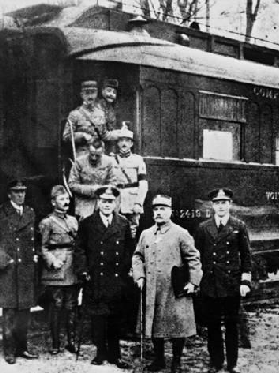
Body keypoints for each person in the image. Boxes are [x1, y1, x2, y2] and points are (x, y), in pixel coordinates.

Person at [132, 195, 202, 373]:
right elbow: (137, 256)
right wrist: (139, 276)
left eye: (163, 209)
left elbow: (194, 259)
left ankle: (176, 361)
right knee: (156, 326)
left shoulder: (180, 233)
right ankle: (159, 360)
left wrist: (193, 282)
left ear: (170, 211)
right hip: (152, 289)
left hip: (174, 289)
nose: (158, 212)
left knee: (177, 326)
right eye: (156, 209)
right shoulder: (146, 234)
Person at [73, 186, 134, 369]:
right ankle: (100, 353)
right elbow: (79, 249)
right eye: (104, 201)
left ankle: (115, 355)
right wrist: (83, 270)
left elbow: (129, 250)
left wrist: (126, 271)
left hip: (116, 279)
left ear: (115, 203)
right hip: (96, 278)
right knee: (98, 318)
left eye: (110, 201)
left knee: (115, 318)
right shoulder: (87, 223)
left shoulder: (123, 223)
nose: (107, 205)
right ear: (98, 202)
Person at [195, 188, 252, 373]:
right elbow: (197, 256)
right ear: (213, 205)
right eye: (217, 203)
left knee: (231, 325)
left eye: (224, 202)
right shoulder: (203, 228)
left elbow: (246, 256)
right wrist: (197, 280)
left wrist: (245, 282)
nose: (221, 206)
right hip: (210, 284)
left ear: (230, 204)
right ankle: (216, 362)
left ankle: (232, 364)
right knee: (212, 325)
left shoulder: (239, 226)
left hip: (231, 283)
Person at [0, 180, 38, 364]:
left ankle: (22, 348)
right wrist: (4, 259)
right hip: (8, 268)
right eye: (16, 192)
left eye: (23, 191)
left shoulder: (30, 212)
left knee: (25, 311)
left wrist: (35, 256)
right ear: (9, 194)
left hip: (25, 268)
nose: (20, 195)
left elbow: (34, 240)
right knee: (9, 311)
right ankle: (9, 350)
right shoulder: (2, 213)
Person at [39, 185, 79, 354]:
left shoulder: (73, 220)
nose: (66, 202)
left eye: (67, 199)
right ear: (53, 202)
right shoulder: (47, 222)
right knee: (57, 304)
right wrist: (52, 261)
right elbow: (42, 247)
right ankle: (56, 343)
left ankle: (70, 341)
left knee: (70, 305)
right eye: (61, 199)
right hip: (56, 267)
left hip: (72, 266)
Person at [63, 80, 119, 159]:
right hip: (83, 155)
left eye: (93, 92)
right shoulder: (75, 114)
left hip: (99, 153)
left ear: (96, 94)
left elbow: (104, 135)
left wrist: (120, 134)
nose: (90, 96)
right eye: (87, 93)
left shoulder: (101, 114)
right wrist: (82, 135)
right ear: (82, 95)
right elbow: (66, 137)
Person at [68, 138, 118, 220]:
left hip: (103, 202)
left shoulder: (109, 162)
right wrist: (91, 189)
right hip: (84, 204)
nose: (94, 158)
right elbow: (72, 184)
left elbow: (113, 183)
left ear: (103, 151)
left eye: (97, 155)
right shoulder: (79, 162)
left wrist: (102, 191)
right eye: (92, 154)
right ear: (88, 150)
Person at [115, 125, 148, 238]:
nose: (124, 144)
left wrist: (138, 202)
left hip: (132, 201)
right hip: (116, 201)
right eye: (121, 140)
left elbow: (143, 184)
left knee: (131, 233)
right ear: (117, 143)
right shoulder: (111, 160)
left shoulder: (138, 160)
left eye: (127, 141)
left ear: (131, 144)